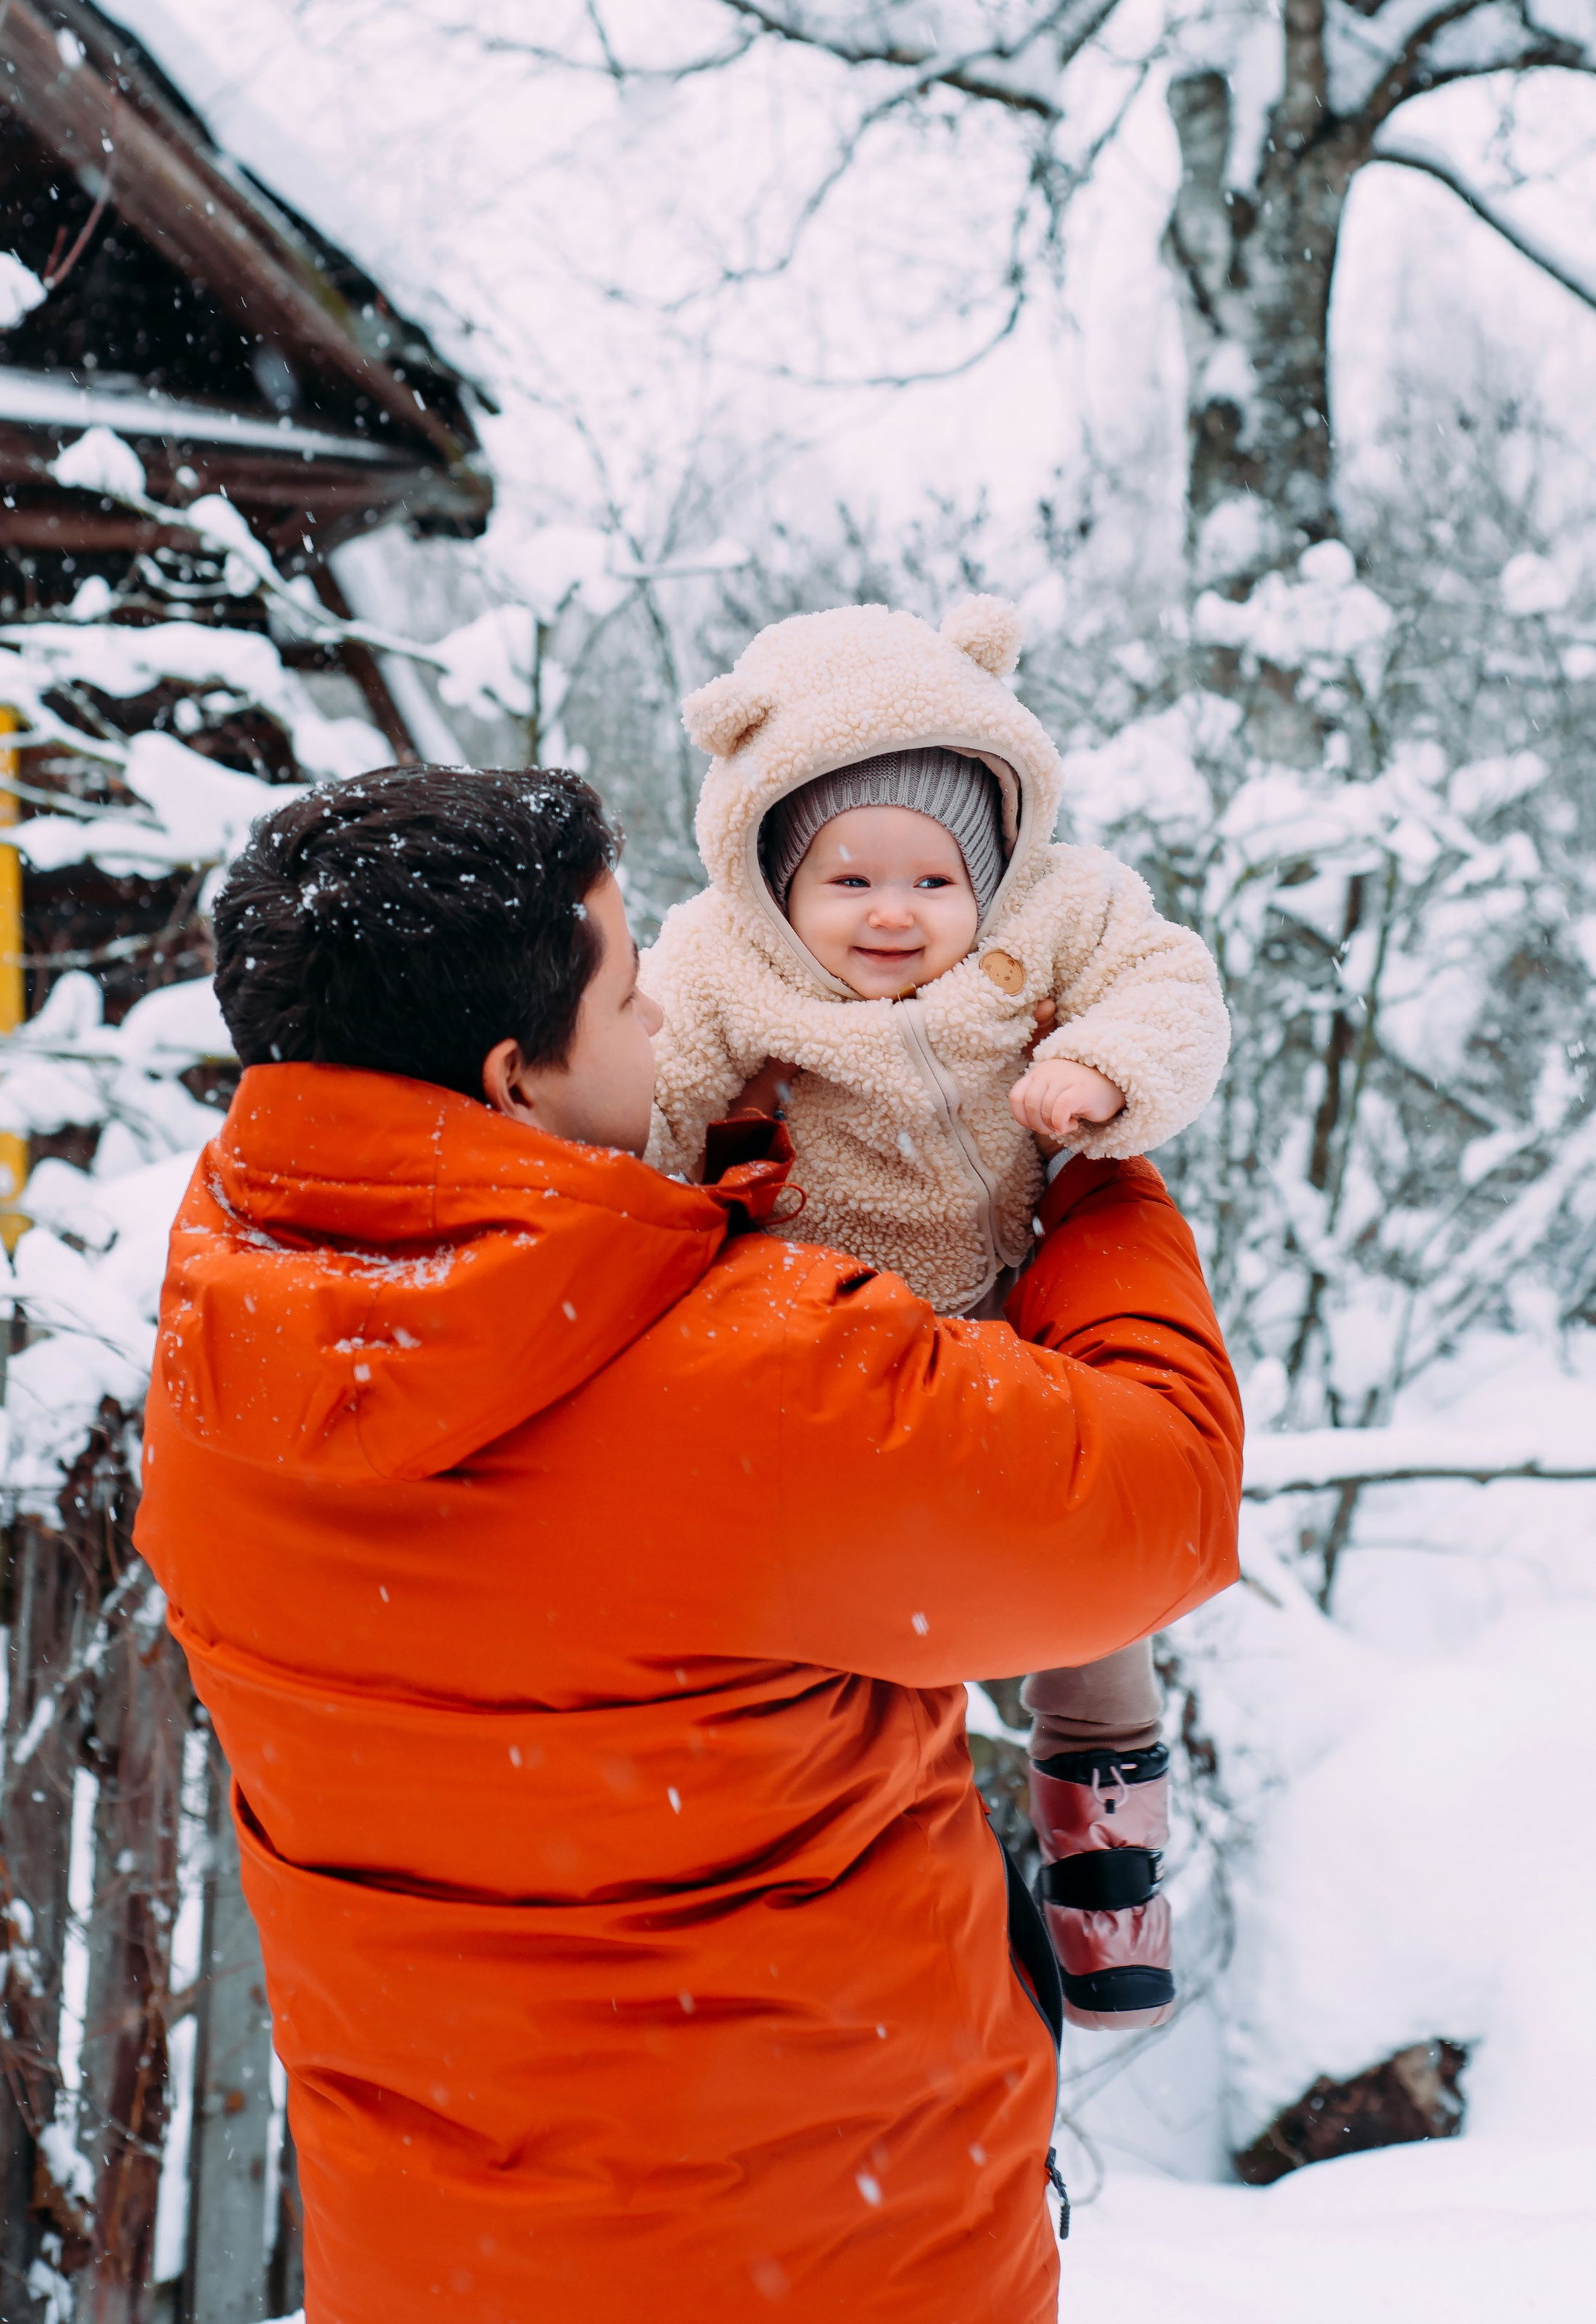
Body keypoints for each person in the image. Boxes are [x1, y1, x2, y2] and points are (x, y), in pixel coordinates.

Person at [134, 763, 1241, 2324]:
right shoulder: (756, 1379)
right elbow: (1166, 1501)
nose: (661, 1023)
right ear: (518, 1076)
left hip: (439, 2260)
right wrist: (1096, 1190)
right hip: (825, 2259)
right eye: (631, 989)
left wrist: (705, 1200)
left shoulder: (214, 1365)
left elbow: (558, 1522)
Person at [643, 595, 1228, 2028]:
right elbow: (647, 1097)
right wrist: (652, 1189)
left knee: (1091, 1597)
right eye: (846, 883)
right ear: (766, 873)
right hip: (826, 1332)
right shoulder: (715, 960)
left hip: (1006, 1304)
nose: (894, 914)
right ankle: (851, 1888)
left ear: (996, 865)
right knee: (849, 1632)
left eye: (933, 879)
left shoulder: (1059, 908)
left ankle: (1105, 1877)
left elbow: (1171, 986)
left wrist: (1096, 1069)